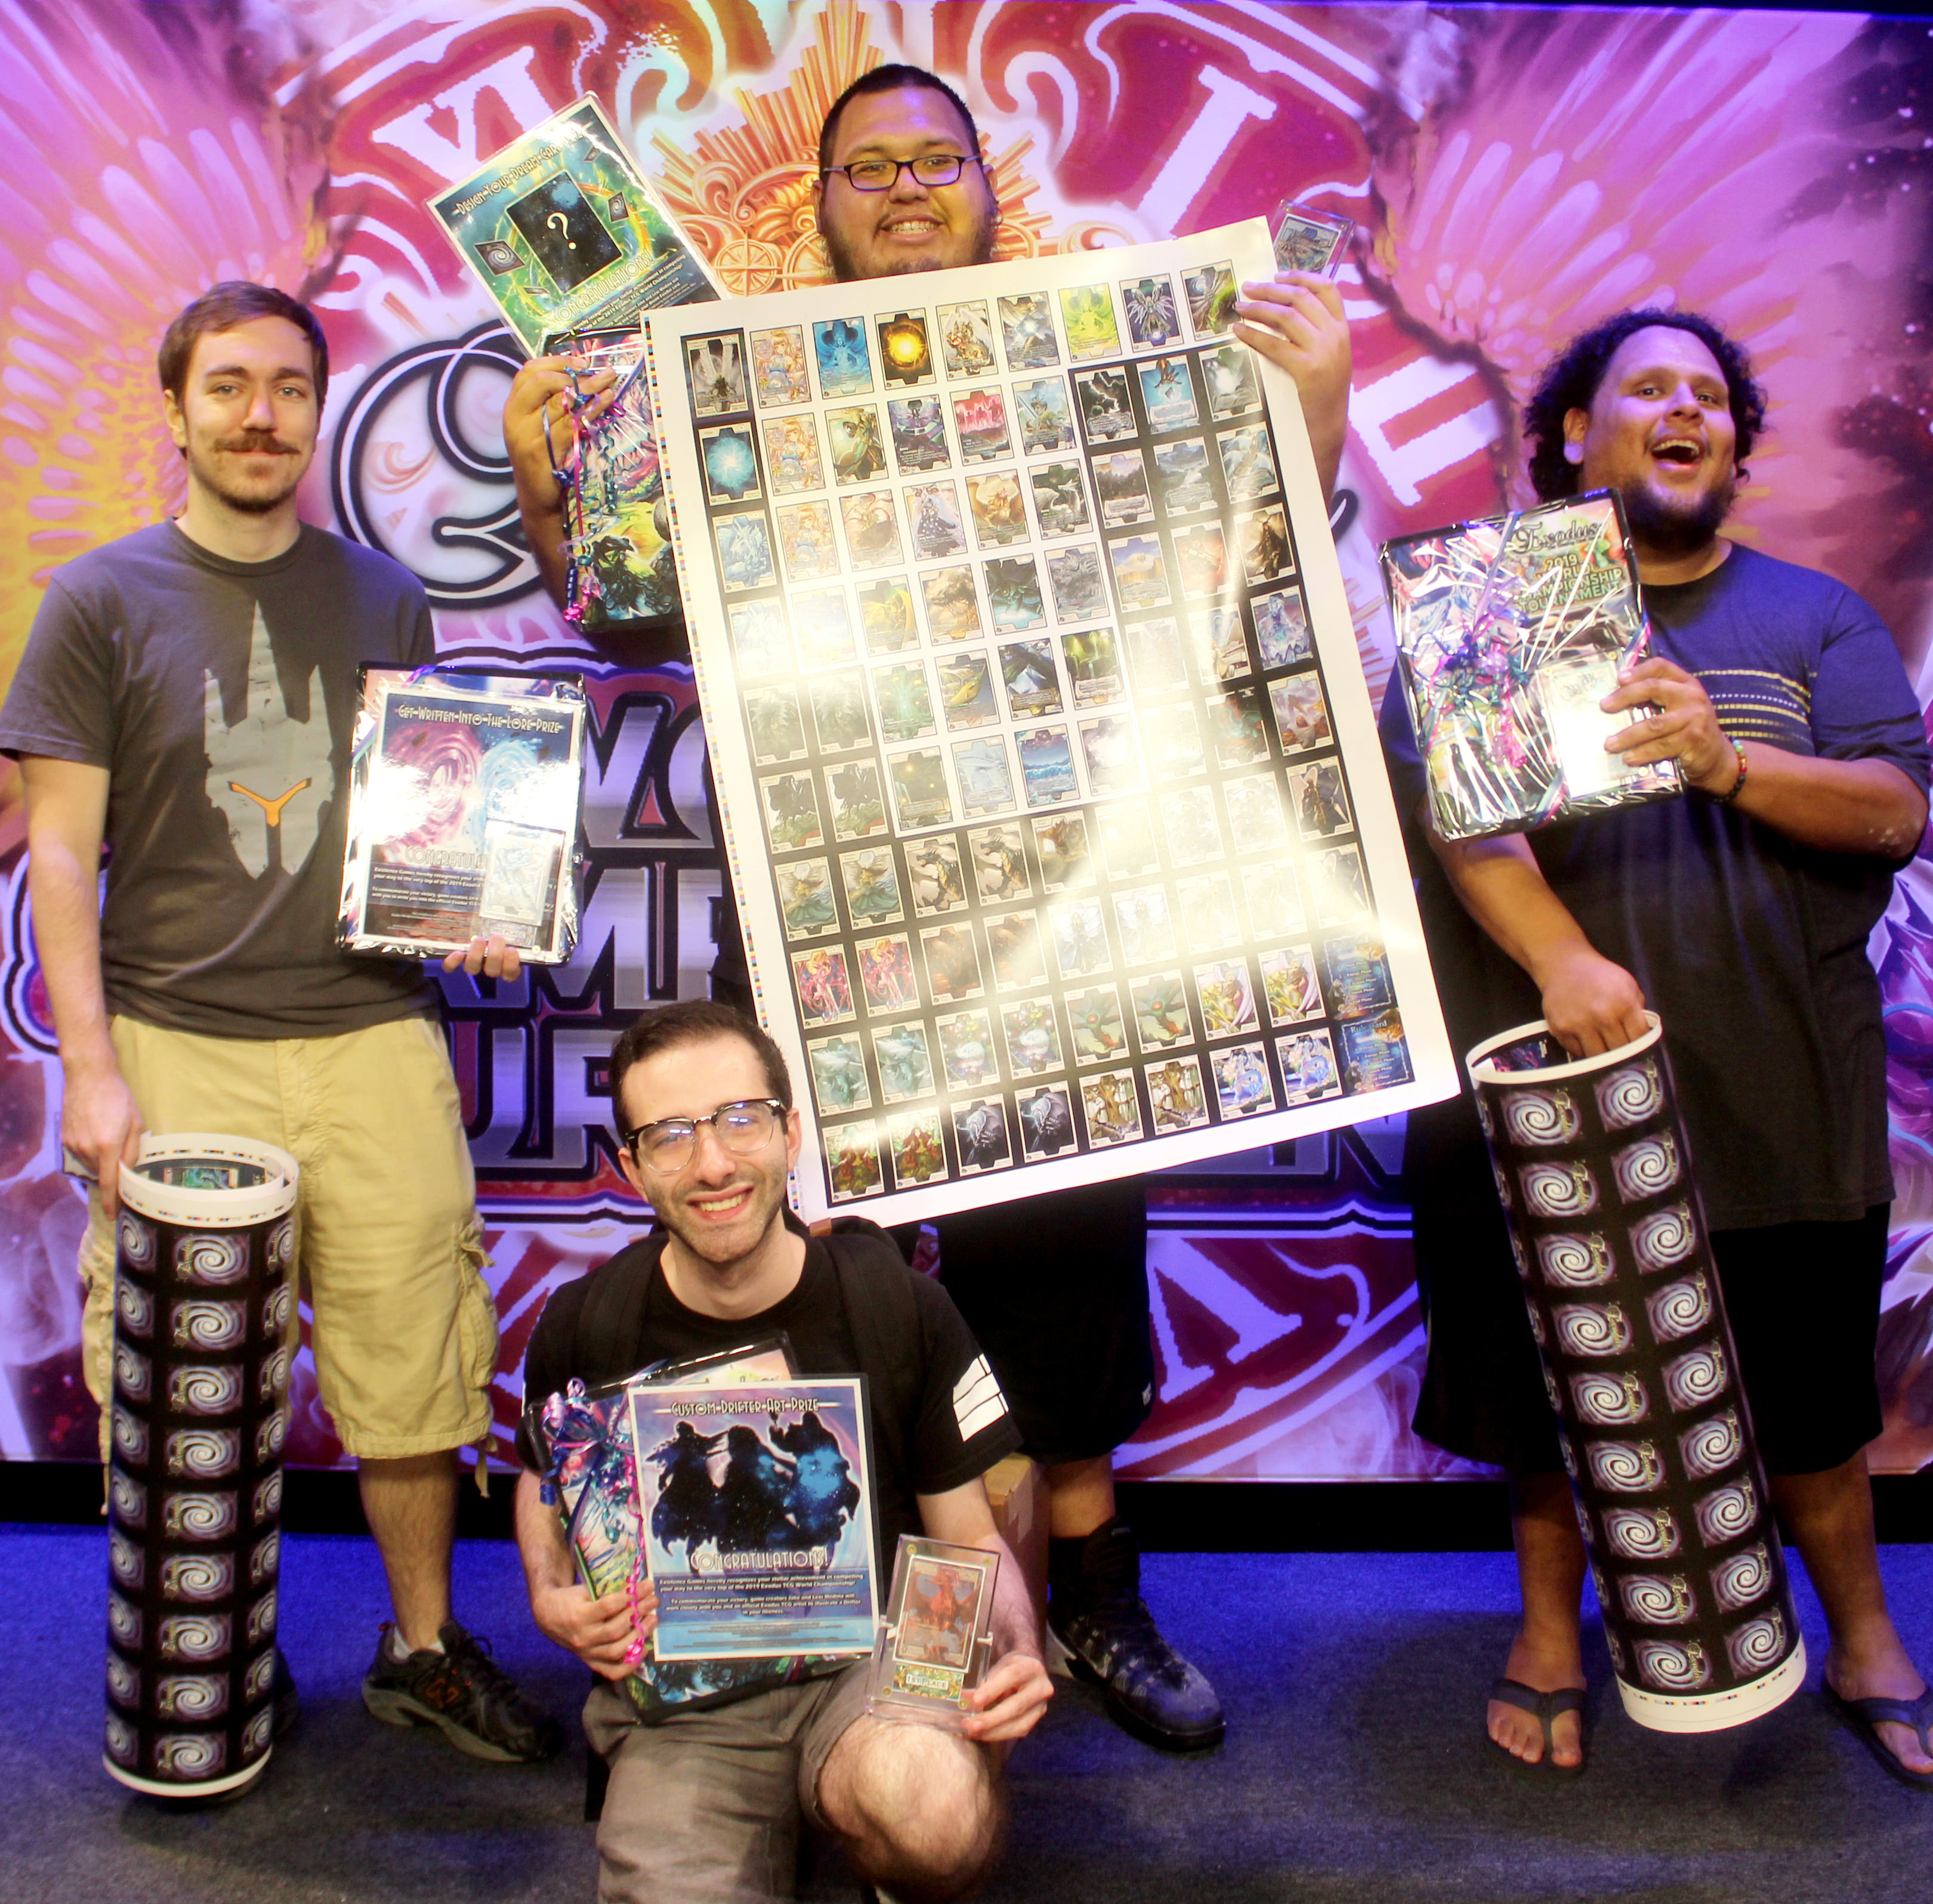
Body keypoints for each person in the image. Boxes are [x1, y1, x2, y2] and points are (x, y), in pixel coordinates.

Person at [503, 60, 1352, 1752]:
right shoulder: (727, 390)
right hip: (827, 903)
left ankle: (1090, 1588)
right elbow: (621, 616)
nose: (904, 187)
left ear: (985, 186)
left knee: (1070, 1250)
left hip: (1062, 894)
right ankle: (808, 1599)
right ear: (816, 206)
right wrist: (552, 473)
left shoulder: (1087, 358)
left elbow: (1238, 564)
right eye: (868, 166)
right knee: (822, 1254)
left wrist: (1311, 413)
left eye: (934, 160)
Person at [2, 280, 560, 1764]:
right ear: (175, 408)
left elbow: (421, 815)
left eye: (290, 390)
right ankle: (210, 1664)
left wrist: (471, 905)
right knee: (193, 1389)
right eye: (229, 387)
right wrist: (91, 1073)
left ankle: (423, 1649)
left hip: (374, 1035)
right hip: (177, 1043)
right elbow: (58, 854)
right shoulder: (98, 600)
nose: (261, 417)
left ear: (319, 409)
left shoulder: (383, 593)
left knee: (413, 1361)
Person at [1384, 308, 1933, 1784]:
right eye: (1649, 388)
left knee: (1813, 1412)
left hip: (1781, 1094)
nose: (1686, 410)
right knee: (1550, 1398)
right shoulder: (1488, 606)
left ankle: (1866, 1639)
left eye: (1711, 397)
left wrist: (1729, 760)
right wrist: (1563, 960)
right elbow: (1459, 820)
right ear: (1575, 432)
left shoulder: (1814, 617)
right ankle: (1549, 1638)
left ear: (1736, 452)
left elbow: (1897, 810)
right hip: (1554, 1095)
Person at [514, 1000, 1051, 1901]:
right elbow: (543, 1482)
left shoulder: (895, 1306)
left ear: (790, 1133)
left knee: (936, 1820)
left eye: (740, 1120)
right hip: (689, 1702)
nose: (714, 1164)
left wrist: (1019, 1647)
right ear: (632, 1168)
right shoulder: (586, 1324)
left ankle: (885, 1819)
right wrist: (549, 1596)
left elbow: (969, 1537)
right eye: (671, 1136)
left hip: (873, 1658)